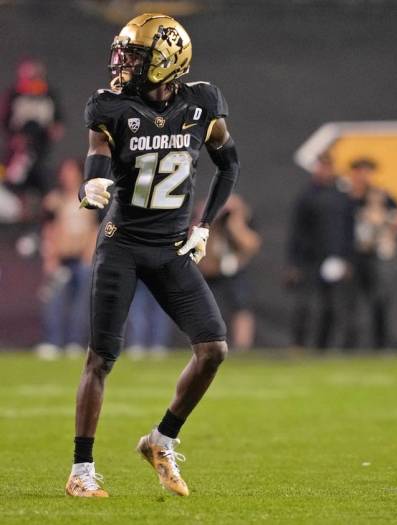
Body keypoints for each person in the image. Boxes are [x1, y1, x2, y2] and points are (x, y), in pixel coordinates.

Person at [65, 14, 240, 498]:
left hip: (169, 248)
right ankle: (81, 470)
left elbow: (229, 164)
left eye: (136, 56)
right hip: (122, 244)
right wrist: (94, 180)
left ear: (167, 61)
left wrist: (204, 225)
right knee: (101, 358)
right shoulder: (111, 107)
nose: (123, 63)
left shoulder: (202, 103)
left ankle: (161, 439)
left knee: (213, 350)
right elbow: (98, 150)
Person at [286, 151, 354, 349]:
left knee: (331, 306)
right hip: (309, 259)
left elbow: (348, 231)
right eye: (321, 166)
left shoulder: (342, 198)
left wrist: (347, 259)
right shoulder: (306, 197)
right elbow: (297, 232)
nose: (324, 170)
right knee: (304, 305)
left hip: (333, 259)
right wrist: (293, 263)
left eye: (328, 166)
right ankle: (298, 344)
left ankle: (321, 346)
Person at [36, 159, 98, 360]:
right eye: (64, 172)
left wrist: (90, 255)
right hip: (60, 259)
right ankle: (53, 341)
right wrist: (50, 256)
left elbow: (96, 228)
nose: (67, 176)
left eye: (71, 172)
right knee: (54, 301)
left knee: (81, 304)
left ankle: (75, 341)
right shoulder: (55, 199)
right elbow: (48, 229)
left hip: (82, 259)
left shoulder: (90, 198)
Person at [344, 157, 397, 349]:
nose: (363, 176)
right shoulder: (346, 197)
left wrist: (383, 221)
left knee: (379, 300)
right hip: (353, 255)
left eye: (366, 171)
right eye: (359, 171)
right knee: (350, 303)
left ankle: (381, 344)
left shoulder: (381, 197)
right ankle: (349, 345)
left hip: (375, 256)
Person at [198, 194, 262, 351]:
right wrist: (209, 216)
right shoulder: (206, 218)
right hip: (211, 270)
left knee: (242, 307)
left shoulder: (240, 218)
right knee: (206, 309)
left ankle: (242, 348)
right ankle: (206, 345)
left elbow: (252, 244)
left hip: (235, 269)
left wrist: (235, 221)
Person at [1, 58, 64, 203]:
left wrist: (53, 130)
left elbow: (58, 123)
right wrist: (15, 139)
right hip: (18, 153)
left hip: (42, 151)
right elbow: (5, 121)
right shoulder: (14, 95)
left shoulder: (49, 96)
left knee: (44, 181)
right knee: (14, 180)